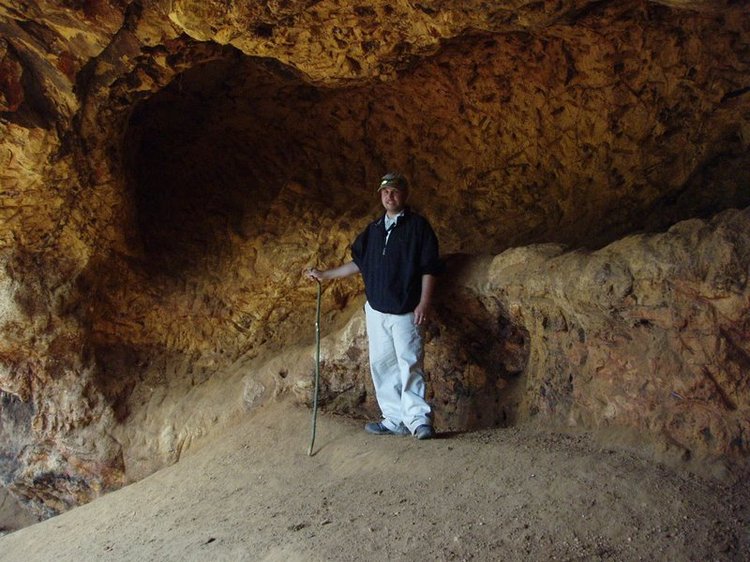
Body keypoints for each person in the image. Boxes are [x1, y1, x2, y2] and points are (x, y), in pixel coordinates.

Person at [306, 172, 442, 440]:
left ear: (404, 194)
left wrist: (424, 302)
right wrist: (325, 274)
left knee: (409, 363)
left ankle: (418, 421)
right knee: (382, 365)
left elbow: (429, 268)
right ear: (380, 196)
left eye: (394, 191)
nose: (389, 196)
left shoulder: (418, 227)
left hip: (405, 309)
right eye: (385, 192)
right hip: (377, 310)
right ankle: (394, 420)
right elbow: (359, 263)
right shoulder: (374, 230)